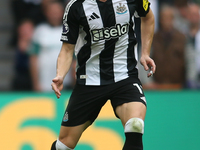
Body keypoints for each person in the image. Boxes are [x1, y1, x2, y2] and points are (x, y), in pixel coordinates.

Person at [51, 0, 155, 149]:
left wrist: (145, 53)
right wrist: (60, 74)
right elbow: (67, 48)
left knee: (135, 125)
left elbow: (148, 17)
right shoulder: (75, 6)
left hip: (124, 76)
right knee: (63, 146)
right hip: (89, 80)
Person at [29, 0, 75, 92]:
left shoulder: (69, 31)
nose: (54, 15)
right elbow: (33, 59)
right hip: (44, 83)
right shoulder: (40, 31)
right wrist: (35, 83)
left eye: (57, 12)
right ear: (46, 13)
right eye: (52, 12)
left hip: (66, 84)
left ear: (62, 13)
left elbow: (74, 59)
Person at [143, 4, 186, 90]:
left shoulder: (182, 38)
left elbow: (189, 60)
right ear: (160, 20)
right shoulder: (152, 38)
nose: (166, 21)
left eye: (169, 17)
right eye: (164, 18)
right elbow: (145, 58)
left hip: (179, 86)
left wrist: (189, 81)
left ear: (173, 19)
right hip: (157, 86)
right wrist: (148, 82)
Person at [11, 19, 34, 91]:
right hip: (24, 78)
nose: (25, 32)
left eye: (28, 30)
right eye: (23, 30)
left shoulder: (41, 43)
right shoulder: (20, 45)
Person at [185, 3, 200, 89]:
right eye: (191, 14)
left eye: (196, 14)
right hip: (186, 80)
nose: (193, 17)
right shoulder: (181, 35)